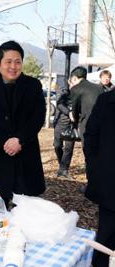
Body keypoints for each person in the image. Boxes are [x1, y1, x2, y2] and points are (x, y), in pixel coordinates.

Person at [0, 41, 46, 207]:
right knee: (0, 202)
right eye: (8, 61)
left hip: (26, 150)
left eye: (17, 61)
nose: (13, 66)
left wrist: (19, 140)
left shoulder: (33, 85)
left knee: (28, 204)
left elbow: (38, 117)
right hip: (0, 153)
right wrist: (4, 141)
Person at [83, 88, 115, 267]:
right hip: (111, 182)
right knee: (107, 234)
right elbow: (91, 136)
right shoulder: (106, 101)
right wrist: (96, 169)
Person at [68, 66, 104, 144]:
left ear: (74, 78)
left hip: (86, 124)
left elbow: (75, 109)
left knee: (88, 149)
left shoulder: (76, 89)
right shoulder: (99, 87)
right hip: (102, 124)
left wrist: (74, 118)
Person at [53, 85, 75, 179]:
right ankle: (62, 165)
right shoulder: (63, 92)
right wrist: (69, 112)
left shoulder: (81, 93)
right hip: (60, 123)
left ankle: (64, 169)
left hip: (72, 125)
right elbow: (60, 104)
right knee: (57, 146)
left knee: (68, 148)